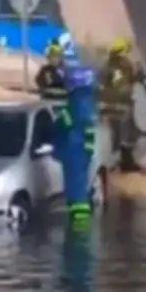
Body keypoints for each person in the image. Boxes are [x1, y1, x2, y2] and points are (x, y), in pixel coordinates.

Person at [54, 59, 98, 233]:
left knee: (76, 196)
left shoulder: (74, 106)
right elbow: (88, 133)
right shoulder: (85, 104)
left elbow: (61, 126)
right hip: (79, 154)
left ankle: (78, 231)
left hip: (73, 152)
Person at [97, 37, 141, 172]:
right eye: (126, 52)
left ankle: (115, 163)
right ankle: (125, 163)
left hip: (108, 107)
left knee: (114, 136)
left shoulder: (106, 66)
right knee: (126, 136)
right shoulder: (121, 67)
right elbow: (123, 87)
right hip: (121, 106)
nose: (128, 55)